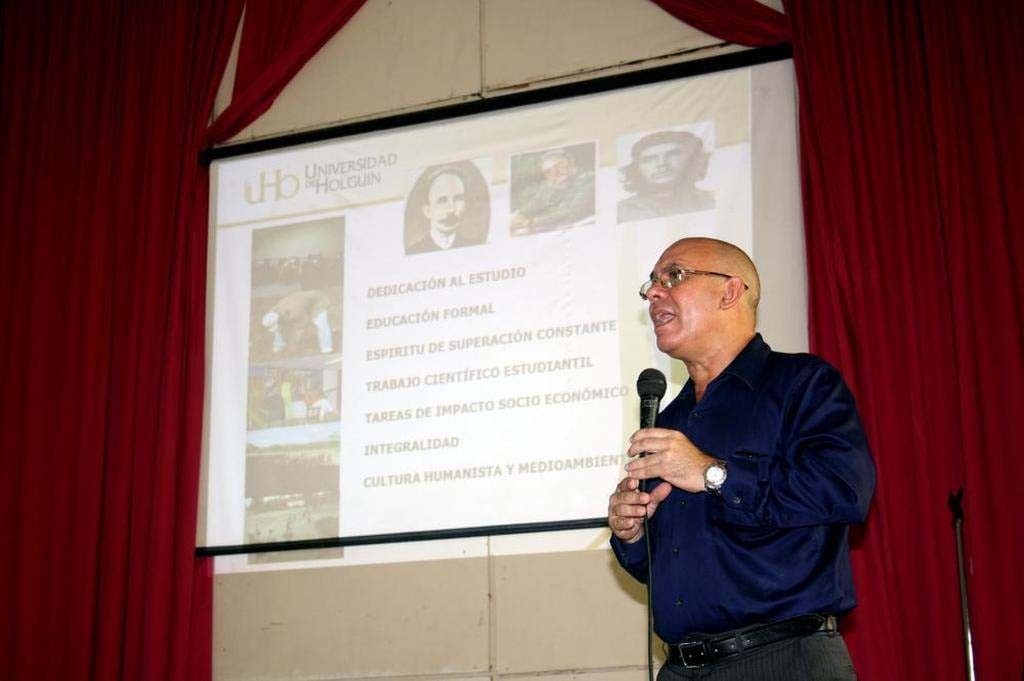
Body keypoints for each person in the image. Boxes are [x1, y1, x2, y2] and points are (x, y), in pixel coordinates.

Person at [607, 237, 875, 680]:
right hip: (681, 668)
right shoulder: (671, 421)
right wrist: (633, 534)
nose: (653, 292)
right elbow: (670, 563)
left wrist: (713, 473)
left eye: (673, 276)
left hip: (784, 661)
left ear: (730, 292)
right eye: (650, 283)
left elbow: (843, 491)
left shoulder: (802, 384)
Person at [617, 130, 715, 223]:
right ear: (636, 168)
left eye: (673, 155)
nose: (662, 164)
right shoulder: (622, 211)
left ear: (692, 160)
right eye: (650, 159)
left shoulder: (711, 200)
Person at [405, 163, 489, 254]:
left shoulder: (475, 248)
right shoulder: (414, 251)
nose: (451, 209)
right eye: (442, 200)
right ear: (427, 211)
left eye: (458, 199)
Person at [510, 147, 595, 234]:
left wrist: (534, 222)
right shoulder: (550, 185)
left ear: (571, 163)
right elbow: (536, 203)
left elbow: (573, 211)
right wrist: (520, 214)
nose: (555, 172)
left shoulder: (590, 180)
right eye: (548, 171)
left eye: (559, 165)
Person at [260, 289, 334, 356]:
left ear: (279, 319)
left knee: (321, 323)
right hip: (301, 302)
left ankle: (326, 348)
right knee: (280, 328)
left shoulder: (295, 311)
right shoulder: (274, 311)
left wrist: (294, 345)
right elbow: (280, 327)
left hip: (318, 300)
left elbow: (302, 325)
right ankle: (278, 348)